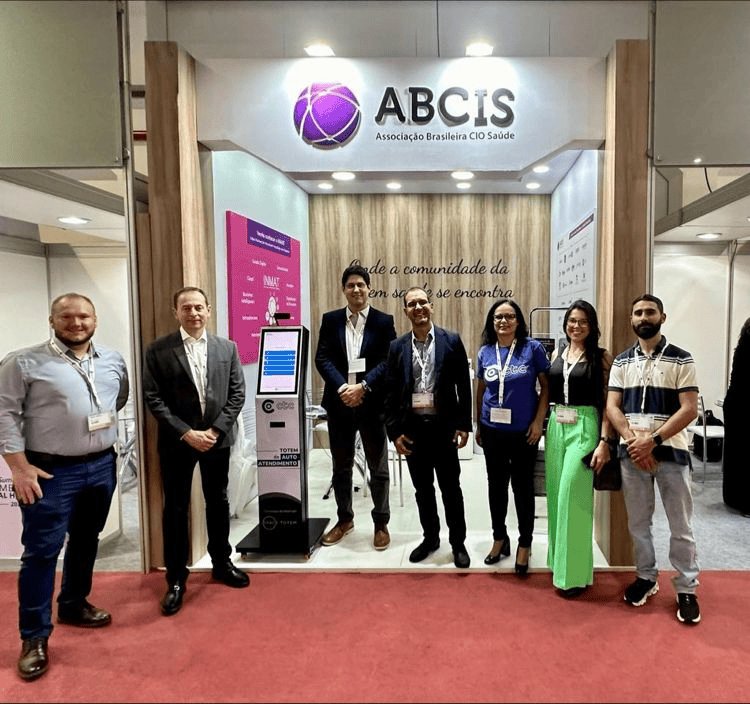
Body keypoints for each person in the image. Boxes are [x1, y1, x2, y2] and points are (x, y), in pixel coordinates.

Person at [0, 293, 129, 681]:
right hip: (49, 472)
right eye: (67, 317)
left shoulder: (112, 360)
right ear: (52, 320)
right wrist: (19, 468)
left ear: (95, 320)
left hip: (100, 465)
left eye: (84, 316)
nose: (76, 323)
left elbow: (118, 399)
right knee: (41, 552)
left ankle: (73, 602)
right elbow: (4, 414)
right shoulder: (23, 362)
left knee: (87, 539)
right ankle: (34, 637)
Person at [143, 286, 249, 617]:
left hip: (217, 440)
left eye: (199, 307)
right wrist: (187, 433)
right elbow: (153, 397)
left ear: (208, 310)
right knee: (175, 508)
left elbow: (237, 393)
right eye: (186, 308)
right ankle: (176, 579)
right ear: (176, 312)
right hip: (178, 442)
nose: (193, 313)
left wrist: (216, 430)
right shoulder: (158, 350)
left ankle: (221, 562)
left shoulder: (227, 348)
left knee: (218, 501)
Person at [606, 293, 701, 625]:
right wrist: (633, 441)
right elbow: (612, 406)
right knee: (638, 523)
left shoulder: (681, 359)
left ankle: (687, 588)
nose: (643, 317)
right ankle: (646, 577)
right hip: (632, 454)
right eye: (638, 313)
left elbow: (689, 408)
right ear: (631, 319)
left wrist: (654, 441)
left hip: (671, 453)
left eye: (650, 312)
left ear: (663, 317)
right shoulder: (621, 361)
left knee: (680, 525)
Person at [384, 287, 472, 568]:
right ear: (405, 311)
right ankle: (431, 538)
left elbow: (463, 385)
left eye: (423, 302)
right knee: (422, 490)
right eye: (412, 304)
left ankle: (458, 543)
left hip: (443, 429)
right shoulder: (397, 347)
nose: (418, 307)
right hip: (413, 432)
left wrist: (464, 424)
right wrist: (394, 432)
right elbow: (390, 392)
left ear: (431, 306)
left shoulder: (451, 340)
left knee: (451, 489)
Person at [315, 265, 397, 549]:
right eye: (351, 285)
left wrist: (363, 387)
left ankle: (381, 523)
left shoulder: (383, 321)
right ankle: (345, 520)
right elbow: (322, 358)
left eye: (361, 284)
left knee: (378, 467)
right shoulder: (331, 320)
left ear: (369, 288)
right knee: (341, 467)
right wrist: (342, 388)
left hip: (371, 403)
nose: (356, 289)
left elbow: (388, 360)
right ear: (344, 290)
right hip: (339, 403)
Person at [474, 299, 549, 576]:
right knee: (496, 487)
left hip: (523, 432)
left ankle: (525, 543)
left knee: (522, 487)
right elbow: (480, 389)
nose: (503, 321)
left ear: (518, 321)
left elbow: (546, 387)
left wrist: (539, 422)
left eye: (509, 316)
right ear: (492, 322)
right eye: (498, 317)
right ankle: (499, 538)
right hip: (492, 430)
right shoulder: (485, 352)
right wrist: (478, 425)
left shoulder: (532, 348)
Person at [545, 300, 613, 597]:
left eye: (583, 321)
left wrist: (604, 441)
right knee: (556, 496)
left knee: (573, 496)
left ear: (592, 326)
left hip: (585, 426)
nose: (576, 326)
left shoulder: (601, 357)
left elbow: (610, 403)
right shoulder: (558, 353)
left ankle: (573, 576)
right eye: (572, 320)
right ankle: (559, 563)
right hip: (556, 424)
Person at [721, 317, 750, 515]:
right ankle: (746, 502)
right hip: (743, 406)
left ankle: (733, 496)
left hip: (734, 404)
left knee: (736, 453)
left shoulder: (741, 348)